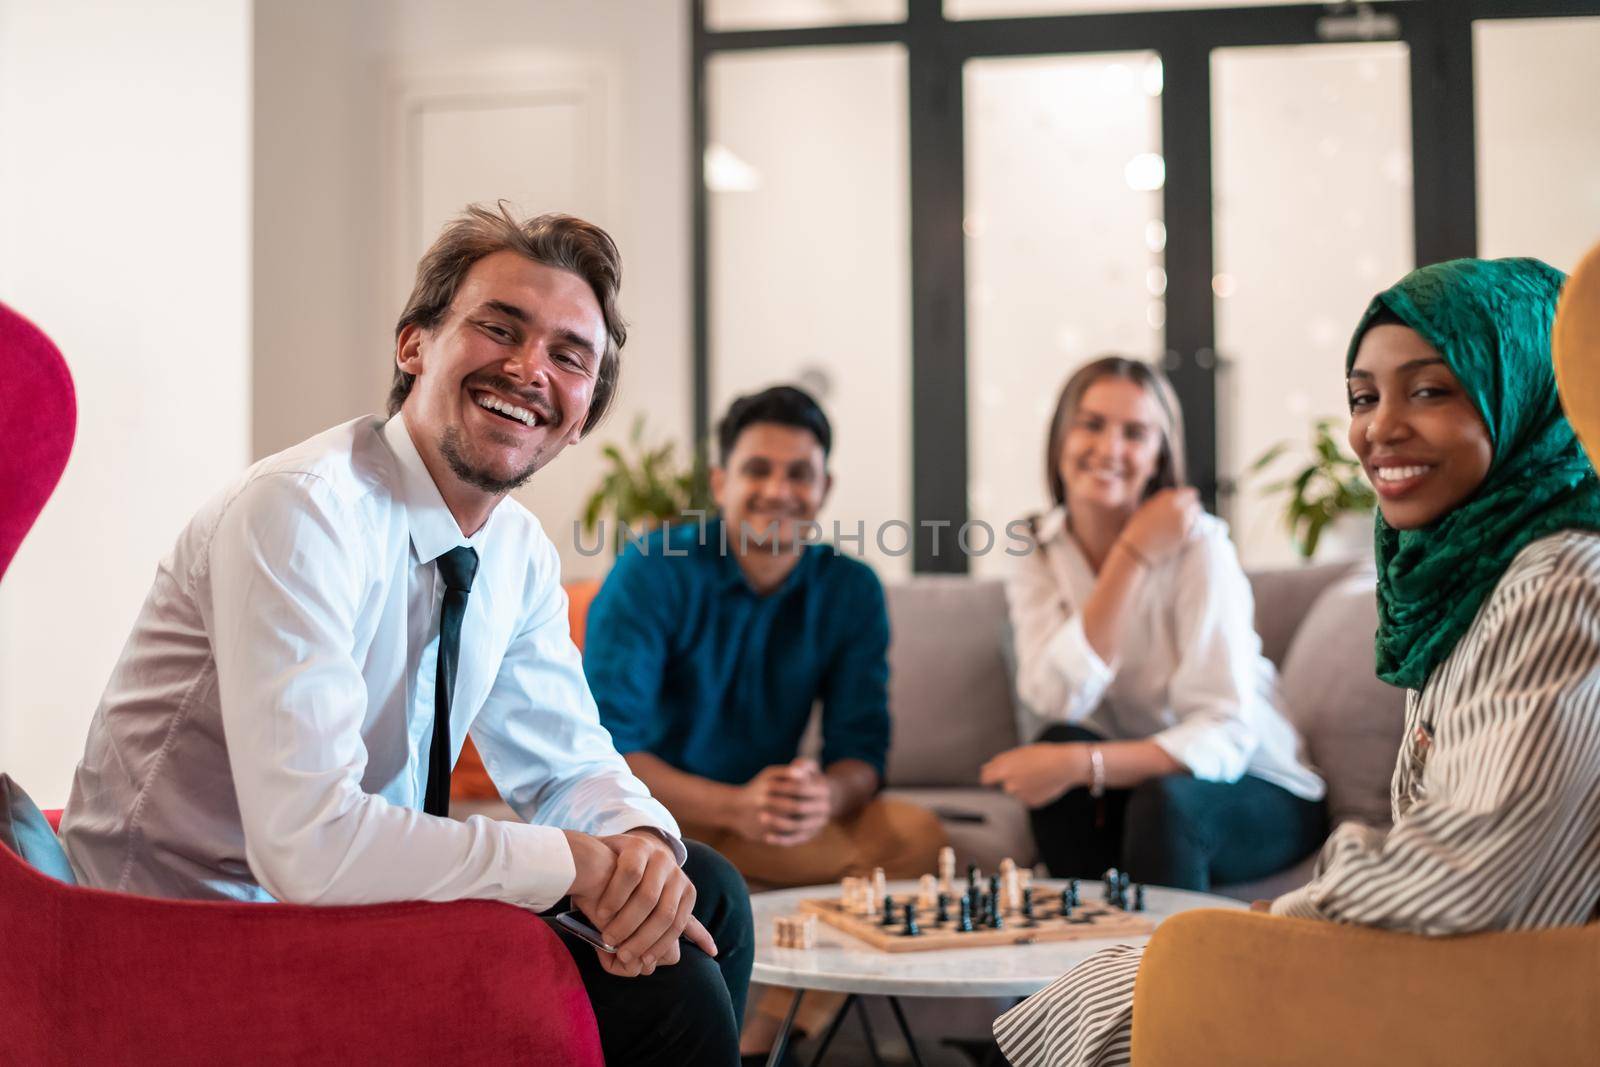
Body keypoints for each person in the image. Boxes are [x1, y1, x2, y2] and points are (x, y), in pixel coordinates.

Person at [59, 204, 753, 1066]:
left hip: (331, 910)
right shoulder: (302, 512)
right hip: (185, 933)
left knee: (703, 895)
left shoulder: (515, 552)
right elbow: (308, 847)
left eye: (568, 356)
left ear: (580, 417)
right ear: (414, 344)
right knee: (669, 985)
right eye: (500, 326)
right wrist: (572, 862)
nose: (529, 367)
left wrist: (639, 848)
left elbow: (569, 762)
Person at [994, 257, 1600, 1067]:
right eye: (1363, 396)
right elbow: (1053, 691)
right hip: (1422, 947)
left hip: (1392, 912)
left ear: (1522, 388)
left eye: (1430, 389)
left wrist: (1271, 921)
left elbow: (1464, 866)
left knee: (1150, 830)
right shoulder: (1467, 585)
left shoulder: (1557, 582)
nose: (1380, 427)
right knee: (1081, 840)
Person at [583, 384, 947, 1054]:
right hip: (665, 810)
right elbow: (604, 748)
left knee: (918, 835)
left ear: (825, 485)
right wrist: (736, 804)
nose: (779, 489)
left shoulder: (850, 588)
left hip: (778, 818)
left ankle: (765, 1034)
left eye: (799, 473)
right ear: (722, 480)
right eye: (758, 469)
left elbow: (863, 749)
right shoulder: (650, 571)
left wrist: (824, 795)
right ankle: (764, 1035)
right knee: (859, 874)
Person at [980, 356, 1325, 891]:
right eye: (1091, 424)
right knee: (1060, 741)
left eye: (1135, 433)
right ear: (1060, 436)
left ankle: (1163, 974)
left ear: (1159, 452)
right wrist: (1131, 558)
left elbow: (1226, 733)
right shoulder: (1036, 546)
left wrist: (1082, 763)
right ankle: (1083, 958)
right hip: (1144, 789)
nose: (1110, 449)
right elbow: (1054, 696)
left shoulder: (1201, 546)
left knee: (1157, 802)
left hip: (1256, 786)